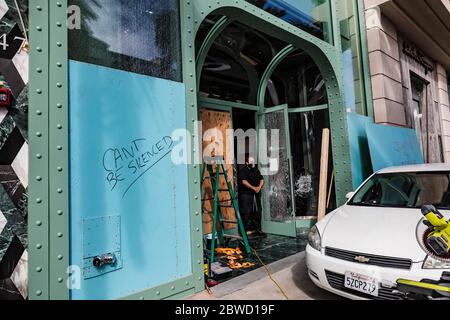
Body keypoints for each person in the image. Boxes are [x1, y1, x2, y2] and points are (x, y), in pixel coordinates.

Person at [238, 155, 266, 237]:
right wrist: (254, 188)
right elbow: (244, 182)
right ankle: (243, 232)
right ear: (247, 163)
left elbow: (262, 180)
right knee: (246, 213)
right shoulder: (242, 171)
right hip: (246, 195)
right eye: (251, 162)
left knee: (257, 212)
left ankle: (258, 230)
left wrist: (259, 187)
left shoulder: (256, 170)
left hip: (256, 194)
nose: (253, 163)